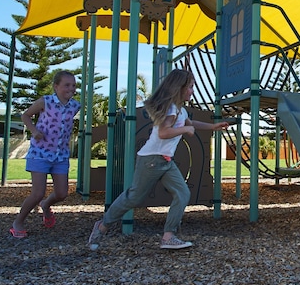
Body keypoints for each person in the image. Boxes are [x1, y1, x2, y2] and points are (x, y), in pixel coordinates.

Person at [87, 69, 230, 251]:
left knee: (183, 193)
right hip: (151, 160)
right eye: (190, 87)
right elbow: (164, 133)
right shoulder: (170, 108)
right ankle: (101, 227)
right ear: (180, 88)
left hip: (165, 161)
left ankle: (168, 236)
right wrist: (184, 131)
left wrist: (213, 126)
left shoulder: (180, 110)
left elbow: (191, 124)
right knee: (133, 197)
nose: (192, 91)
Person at [10, 71, 81, 238]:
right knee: (37, 193)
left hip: (60, 155)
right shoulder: (45, 101)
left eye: (73, 85)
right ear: (56, 86)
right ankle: (18, 222)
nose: (71, 89)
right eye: (66, 85)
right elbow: (25, 116)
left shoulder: (74, 106)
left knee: (62, 193)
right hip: (40, 153)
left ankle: (46, 205)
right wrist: (34, 131)